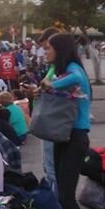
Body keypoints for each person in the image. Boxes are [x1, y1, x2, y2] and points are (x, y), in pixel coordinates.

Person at [39, 33, 96, 209]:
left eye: (48, 48)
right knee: (62, 195)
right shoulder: (58, 68)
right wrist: (49, 75)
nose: (45, 52)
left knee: (67, 199)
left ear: (60, 49)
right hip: (62, 137)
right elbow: (46, 80)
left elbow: (64, 82)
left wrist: (49, 82)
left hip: (76, 139)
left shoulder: (75, 72)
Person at [35, 27, 61, 193]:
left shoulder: (65, 70)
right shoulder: (53, 68)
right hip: (49, 122)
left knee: (52, 169)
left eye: (47, 48)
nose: (44, 53)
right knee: (48, 166)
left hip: (54, 124)